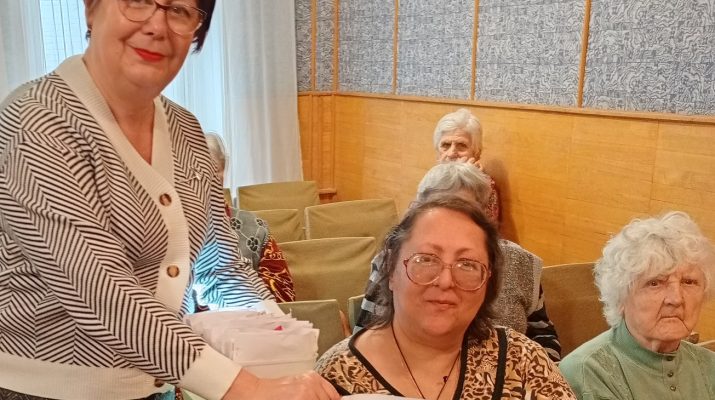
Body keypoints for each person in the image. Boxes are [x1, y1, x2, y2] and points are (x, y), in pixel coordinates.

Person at [0, 1, 338, 399]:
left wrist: (281, 340)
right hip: (43, 388)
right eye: (139, 1)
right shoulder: (36, 122)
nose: (157, 26)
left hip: (154, 385)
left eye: (179, 10)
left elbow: (220, 265)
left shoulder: (185, 128)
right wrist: (246, 387)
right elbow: (102, 292)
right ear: (92, 8)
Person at [316, 196, 576, 399]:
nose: (445, 281)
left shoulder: (521, 360)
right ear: (391, 271)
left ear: (488, 283)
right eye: (426, 260)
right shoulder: (335, 377)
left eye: (467, 264)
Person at [355, 162, 562, 361]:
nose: (446, 281)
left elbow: (544, 335)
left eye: (464, 213)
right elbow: (367, 332)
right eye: (439, 210)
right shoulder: (395, 259)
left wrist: (533, 372)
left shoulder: (520, 262)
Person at [559, 211, 715, 399]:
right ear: (620, 297)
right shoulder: (587, 372)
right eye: (655, 283)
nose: (676, 299)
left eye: (689, 282)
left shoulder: (709, 366)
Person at [205, 132, 295, 303]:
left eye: (214, 170)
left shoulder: (255, 227)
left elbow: (282, 289)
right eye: (196, 171)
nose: (206, 178)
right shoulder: (163, 228)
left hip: (250, 315)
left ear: (224, 172)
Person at [433, 108, 500, 223]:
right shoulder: (432, 179)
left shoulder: (485, 188)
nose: (451, 153)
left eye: (461, 145)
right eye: (446, 145)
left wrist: (468, 180)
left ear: (476, 153)